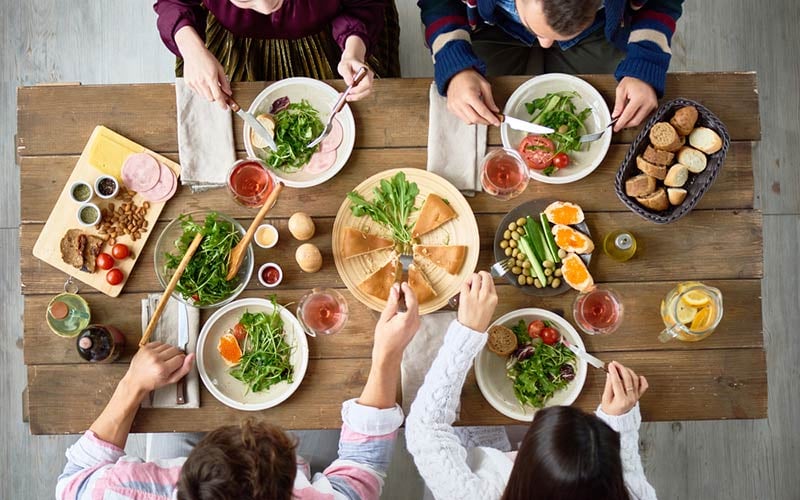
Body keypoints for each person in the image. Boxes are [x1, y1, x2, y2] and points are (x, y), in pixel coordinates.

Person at [56, 282, 421, 500]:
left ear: (185, 474)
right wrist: (387, 354)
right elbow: (364, 465)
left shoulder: (119, 491)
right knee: (326, 420)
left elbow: (73, 479)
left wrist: (132, 385)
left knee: (179, 411)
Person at [406, 271, 657, 500]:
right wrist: (618, 422)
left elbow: (425, 428)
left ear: (523, 463)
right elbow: (628, 474)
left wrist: (467, 332)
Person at [418, 0, 683, 132]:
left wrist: (645, 64)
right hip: (488, 26)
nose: (545, 44)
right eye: (537, 30)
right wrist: (455, 67)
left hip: (601, 28)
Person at [154, 0, 401, 108]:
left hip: (328, 37)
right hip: (236, 44)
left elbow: (362, 7)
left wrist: (353, 50)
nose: (265, 8)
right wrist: (192, 50)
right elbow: (174, 2)